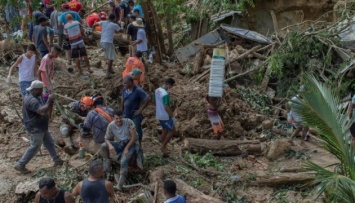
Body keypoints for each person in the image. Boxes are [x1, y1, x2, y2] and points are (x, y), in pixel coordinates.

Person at [14, 80, 63, 174]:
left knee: (49, 142)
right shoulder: (31, 100)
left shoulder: (34, 96)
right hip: (35, 127)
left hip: (40, 125)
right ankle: (20, 164)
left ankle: (57, 160)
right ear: (36, 90)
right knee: (35, 146)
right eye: (41, 90)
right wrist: (49, 100)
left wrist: (49, 101)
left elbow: (44, 107)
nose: (42, 92)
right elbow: (42, 111)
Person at [101, 110, 143, 190]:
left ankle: (120, 185)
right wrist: (110, 146)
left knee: (124, 161)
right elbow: (106, 138)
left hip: (132, 143)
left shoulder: (128, 122)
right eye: (116, 118)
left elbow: (134, 138)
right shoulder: (111, 125)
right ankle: (107, 170)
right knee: (104, 146)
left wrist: (126, 148)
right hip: (121, 143)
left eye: (120, 118)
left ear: (122, 117)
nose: (119, 120)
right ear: (113, 118)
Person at [121, 76, 150, 143]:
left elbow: (147, 99)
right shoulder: (124, 89)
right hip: (126, 114)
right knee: (126, 131)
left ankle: (139, 145)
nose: (124, 85)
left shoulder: (138, 90)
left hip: (134, 115)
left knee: (137, 131)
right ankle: (129, 144)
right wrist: (121, 111)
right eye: (123, 83)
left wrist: (140, 110)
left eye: (125, 83)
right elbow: (122, 100)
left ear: (130, 83)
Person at [93, 14, 121, 78]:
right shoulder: (114, 25)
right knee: (111, 58)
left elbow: (94, 25)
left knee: (108, 56)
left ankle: (110, 69)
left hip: (102, 41)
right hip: (108, 42)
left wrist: (93, 29)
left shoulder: (103, 22)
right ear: (114, 19)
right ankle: (108, 73)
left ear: (108, 18)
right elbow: (119, 31)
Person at [154, 78, 176, 154]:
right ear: (169, 85)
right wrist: (172, 116)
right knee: (172, 130)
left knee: (165, 129)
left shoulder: (157, 90)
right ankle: (163, 147)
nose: (170, 88)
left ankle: (163, 145)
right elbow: (166, 107)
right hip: (165, 116)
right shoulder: (165, 94)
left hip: (159, 114)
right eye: (171, 86)